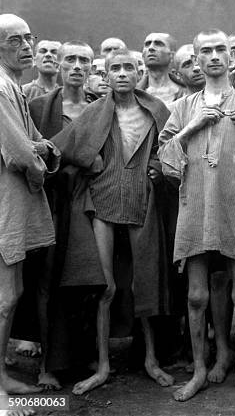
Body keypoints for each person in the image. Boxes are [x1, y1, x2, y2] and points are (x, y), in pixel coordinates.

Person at [52, 49, 173, 395]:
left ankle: (151, 359)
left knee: (143, 282)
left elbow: (173, 146)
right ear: (105, 75)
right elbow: (63, 147)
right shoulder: (94, 111)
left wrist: (157, 165)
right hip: (101, 202)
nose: (121, 74)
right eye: (114, 69)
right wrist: (88, 162)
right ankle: (103, 366)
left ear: (139, 73)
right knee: (106, 288)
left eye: (128, 68)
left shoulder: (156, 111)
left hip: (140, 201)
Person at [158, 29, 235, 402]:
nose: (215, 56)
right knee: (195, 296)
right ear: (196, 59)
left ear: (229, 55)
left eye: (220, 49)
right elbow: (166, 159)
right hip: (195, 207)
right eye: (206, 50)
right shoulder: (183, 107)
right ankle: (201, 370)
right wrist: (194, 126)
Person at [25, 41, 98, 390]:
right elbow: (29, 151)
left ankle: (83, 356)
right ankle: (47, 363)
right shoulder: (39, 106)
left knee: (85, 281)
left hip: (88, 201)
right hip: (48, 201)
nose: (76, 66)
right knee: (45, 281)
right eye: (70, 59)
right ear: (61, 65)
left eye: (84, 60)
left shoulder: (100, 108)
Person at [0, 13, 60, 399]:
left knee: (14, 290)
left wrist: (41, 150)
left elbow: (40, 142)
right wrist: (39, 167)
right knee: (5, 295)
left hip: (16, 199)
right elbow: (21, 153)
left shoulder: (13, 88)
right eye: (14, 41)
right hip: (7, 199)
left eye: (28, 39)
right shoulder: (1, 89)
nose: (25, 47)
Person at [138, 33, 182, 106]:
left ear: (172, 55)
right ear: (142, 55)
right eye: (147, 44)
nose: (151, 48)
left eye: (158, 44)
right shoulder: (132, 93)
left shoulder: (185, 92)